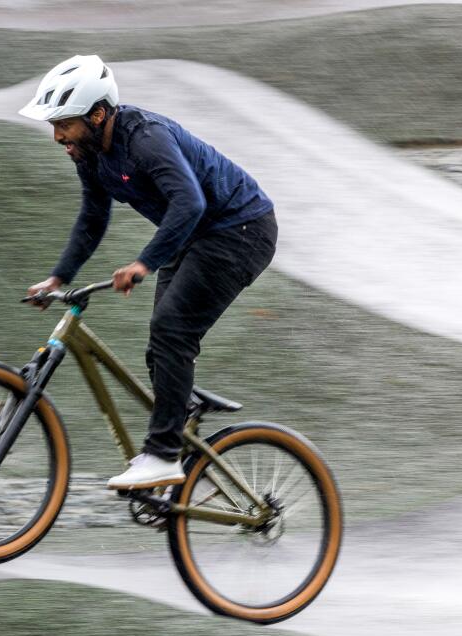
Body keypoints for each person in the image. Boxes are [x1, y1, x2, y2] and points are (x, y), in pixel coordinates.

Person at [20, 54, 277, 491]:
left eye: (63, 123)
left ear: (97, 114)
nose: (57, 136)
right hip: (196, 235)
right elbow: (92, 219)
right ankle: (184, 419)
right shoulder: (89, 154)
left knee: (172, 331)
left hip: (241, 229)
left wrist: (143, 263)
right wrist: (58, 278)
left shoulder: (146, 139)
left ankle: (162, 454)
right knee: (160, 351)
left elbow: (190, 202)